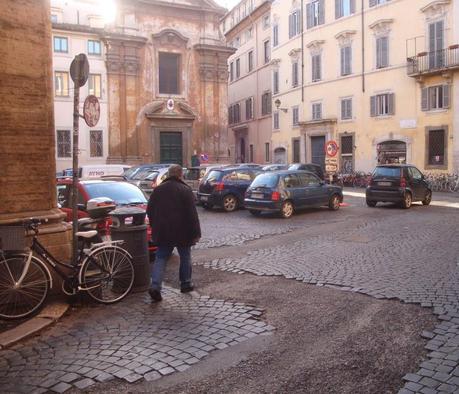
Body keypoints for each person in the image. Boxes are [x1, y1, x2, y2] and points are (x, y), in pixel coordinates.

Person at [146, 164, 201, 301]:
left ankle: (155, 286)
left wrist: (155, 227)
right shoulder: (185, 190)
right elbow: (192, 215)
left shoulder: (157, 190)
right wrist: (196, 233)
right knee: (185, 257)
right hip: (182, 231)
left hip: (164, 231)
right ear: (180, 174)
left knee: (161, 258)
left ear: (168, 174)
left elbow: (150, 210)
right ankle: (186, 284)